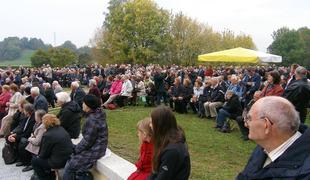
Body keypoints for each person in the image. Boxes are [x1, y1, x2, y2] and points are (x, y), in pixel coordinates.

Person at [236, 96, 310, 179]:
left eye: (249, 118)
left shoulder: (305, 173)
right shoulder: (264, 145)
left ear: (266, 125)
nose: (245, 124)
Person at [63, 94, 108, 180]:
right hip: (97, 146)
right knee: (71, 156)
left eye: (83, 103)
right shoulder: (98, 113)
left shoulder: (92, 120)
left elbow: (87, 142)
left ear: (88, 106)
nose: (82, 104)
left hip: (96, 149)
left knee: (71, 165)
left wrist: (75, 149)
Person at [148, 106, 190, 179]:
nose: (150, 125)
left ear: (160, 124)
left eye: (152, 122)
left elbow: (163, 177)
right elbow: (155, 172)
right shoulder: (166, 140)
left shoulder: (172, 151)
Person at [31, 114, 73, 180]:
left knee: (34, 160)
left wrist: (38, 156)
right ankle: (49, 175)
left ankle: (44, 178)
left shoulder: (48, 135)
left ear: (45, 123)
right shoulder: (61, 128)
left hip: (58, 162)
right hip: (68, 158)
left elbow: (43, 154)